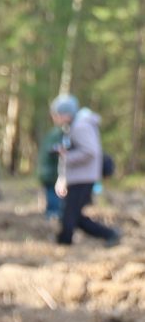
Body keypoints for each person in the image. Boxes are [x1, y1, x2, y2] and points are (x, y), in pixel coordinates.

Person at [50, 91, 120, 247]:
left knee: (70, 215)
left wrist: (66, 155)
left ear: (66, 114)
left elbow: (90, 151)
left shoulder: (80, 126)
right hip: (80, 177)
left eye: (57, 114)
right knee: (72, 215)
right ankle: (65, 240)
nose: (55, 118)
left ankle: (109, 234)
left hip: (83, 178)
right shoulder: (75, 126)